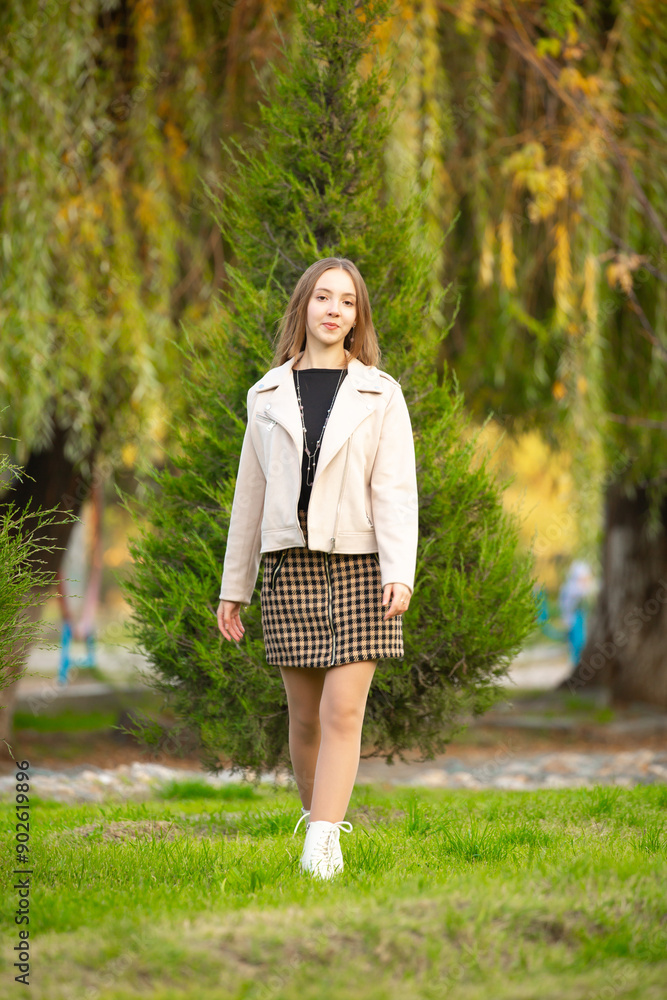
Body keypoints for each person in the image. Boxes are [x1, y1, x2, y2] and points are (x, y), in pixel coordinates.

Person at [216, 256, 419, 880]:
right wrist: (234, 586)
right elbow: (249, 496)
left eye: (348, 301)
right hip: (289, 570)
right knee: (304, 718)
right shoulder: (265, 395)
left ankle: (323, 844)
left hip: (361, 568)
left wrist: (399, 570)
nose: (335, 309)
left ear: (358, 317)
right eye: (324, 297)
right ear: (303, 306)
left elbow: (395, 489)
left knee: (342, 713)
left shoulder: (381, 393)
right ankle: (315, 824)